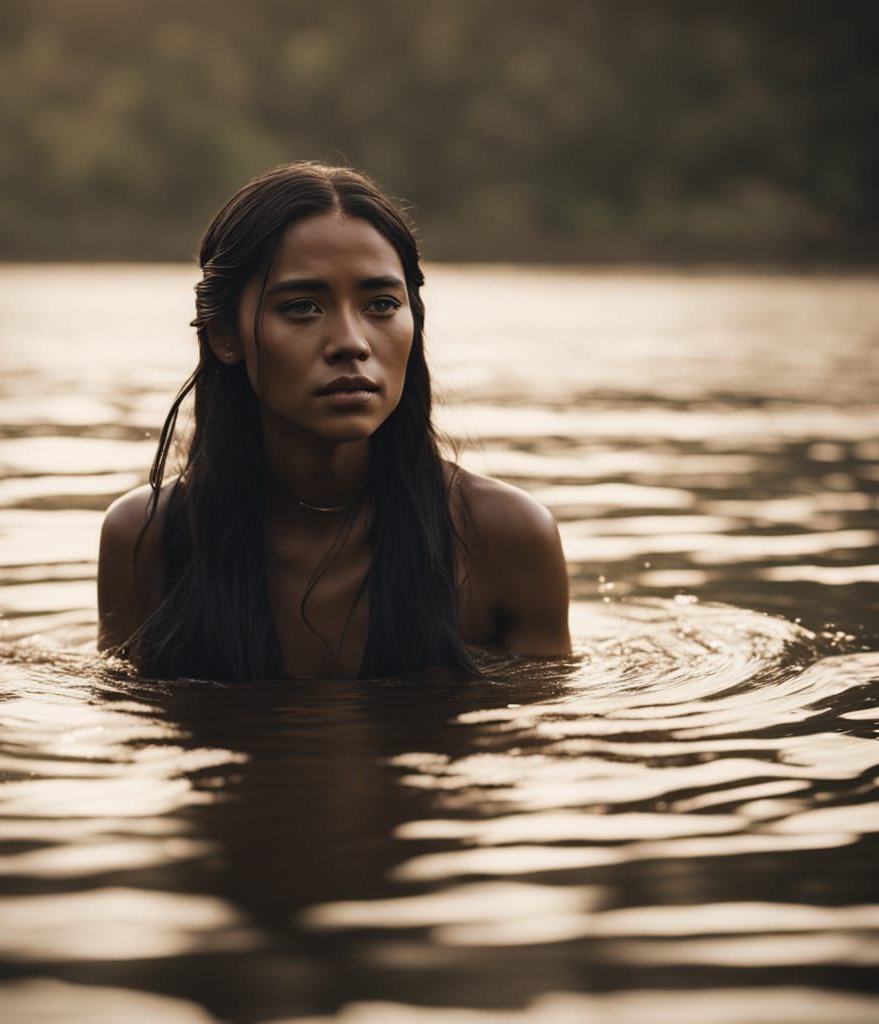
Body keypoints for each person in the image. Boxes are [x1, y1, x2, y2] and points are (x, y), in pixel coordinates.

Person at [97, 162, 570, 681]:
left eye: (382, 304)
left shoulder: (506, 537)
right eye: (302, 307)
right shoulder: (147, 540)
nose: (351, 342)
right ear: (225, 335)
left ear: (414, 321)